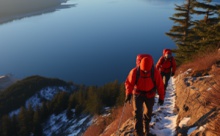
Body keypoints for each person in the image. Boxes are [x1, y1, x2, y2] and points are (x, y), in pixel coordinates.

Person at [124, 54, 165, 136]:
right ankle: (138, 133)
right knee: (137, 113)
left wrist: (161, 97)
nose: (145, 71)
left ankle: (146, 130)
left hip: (150, 95)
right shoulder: (135, 72)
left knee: (148, 113)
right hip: (137, 94)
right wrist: (128, 93)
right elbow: (129, 83)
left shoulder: (155, 72)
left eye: (147, 70)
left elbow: (160, 85)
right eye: (144, 70)